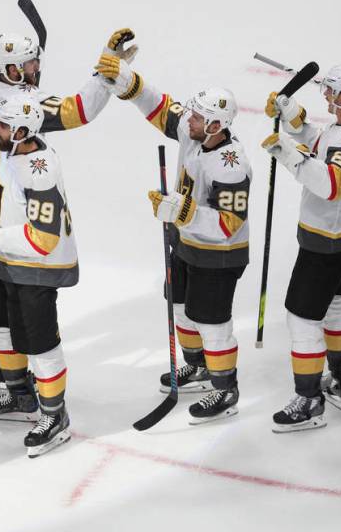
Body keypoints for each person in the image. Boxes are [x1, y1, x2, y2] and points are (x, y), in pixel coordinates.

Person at [0, 29, 135, 394]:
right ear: (12, 69)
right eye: (29, 63)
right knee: (1, 273)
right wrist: (105, 75)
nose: (36, 67)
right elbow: (78, 110)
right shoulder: (21, 106)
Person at [94, 53, 251, 424]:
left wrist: (182, 213)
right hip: (185, 244)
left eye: (197, 117)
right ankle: (196, 367)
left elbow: (230, 223)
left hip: (219, 254)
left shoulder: (232, 164)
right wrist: (129, 80)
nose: (189, 120)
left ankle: (225, 388)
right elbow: (162, 108)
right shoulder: (196, 132)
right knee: (180, 307)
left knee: (212, 323)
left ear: (215, 125)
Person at [261, 64, 341, 431]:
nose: (328, 95)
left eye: (334, 91)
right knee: (335, 305)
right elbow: (324, 143)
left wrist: (287, 153)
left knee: (301, 317)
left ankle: (309, 400)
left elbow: (334, 184)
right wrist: (292, 117)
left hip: (328, 240)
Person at [0, 95, 78, 457]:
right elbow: (6, 190)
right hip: (10, 260)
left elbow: (42, 239)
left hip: (37, 269)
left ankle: (56, 417)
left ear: (22, 131)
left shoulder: (40, 170)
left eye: (3, 126)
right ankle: (21, 396)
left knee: (40, 343)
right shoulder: (18, 153)